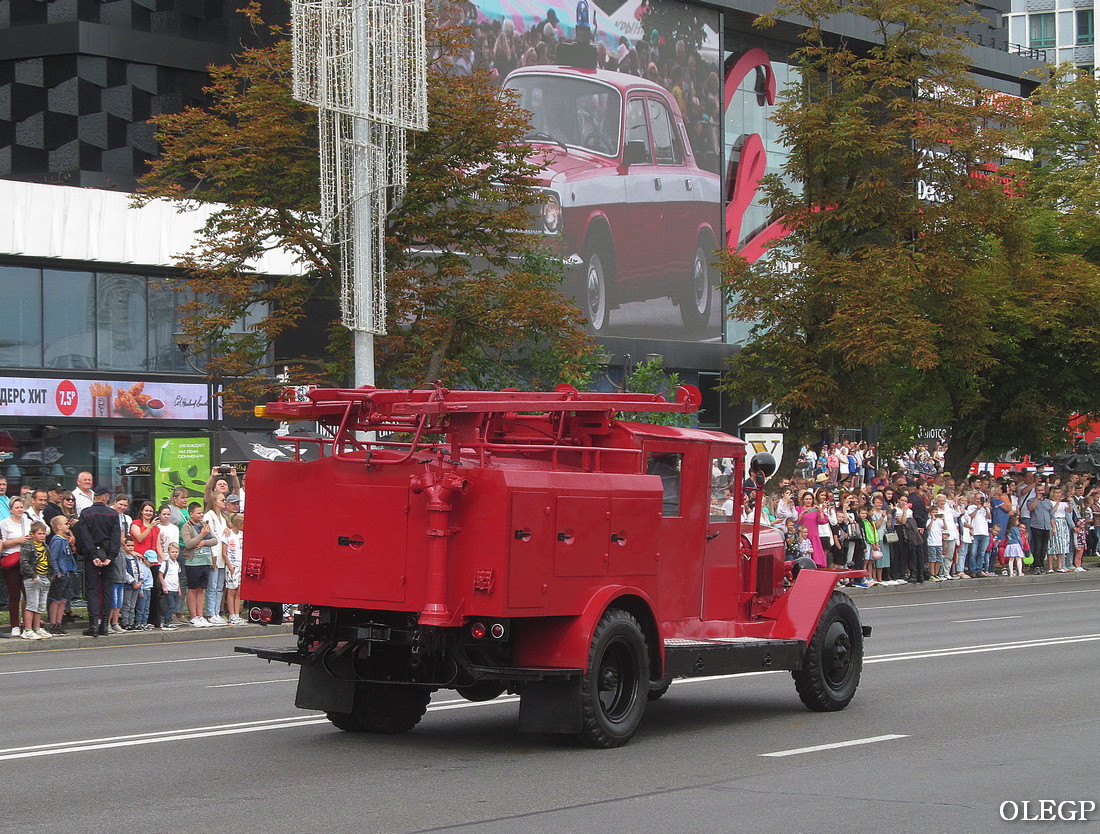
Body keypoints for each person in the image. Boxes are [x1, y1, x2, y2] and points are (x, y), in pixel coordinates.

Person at [73, 486, 121, 637]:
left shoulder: (86, 513)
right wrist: (110, 556)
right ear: (105, 497)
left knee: (92, 590)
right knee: (107, 590)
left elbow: (85, 537)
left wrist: (93, 555)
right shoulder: (113, 514)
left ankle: (93, 625)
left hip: (92, 555)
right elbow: (116, 537)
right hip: (107, 554)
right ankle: (104, 626)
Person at [182, 502, 217, 628]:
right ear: (191, 514)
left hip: (205, 560)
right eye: (198, 513)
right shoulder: (187, 526)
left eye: (201, 512)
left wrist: (203, 542)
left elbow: (215, 540)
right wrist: (201, 535)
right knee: (193, 589)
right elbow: (188, 544)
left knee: (201, 589)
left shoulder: (204, 525)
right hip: (193, 562)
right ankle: (193, 616)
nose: (201, 515)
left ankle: (200, 615)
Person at [1, 496, 32, 636]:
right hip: (12, 559)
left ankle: (28, 624)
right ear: (11, 509)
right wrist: (18, 540)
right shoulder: (5, 523)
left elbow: (43, 531)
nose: (19, 510)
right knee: (14, 594)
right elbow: (4, 543)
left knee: (28, 593)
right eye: (17, 507)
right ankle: (14, 625)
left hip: (27, 560)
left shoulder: (28, 521)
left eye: (21, 507)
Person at [19, 521, 53, 640]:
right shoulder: (28, 546)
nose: (42, 536)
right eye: (39, 533)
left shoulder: (45, 546)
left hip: (44, 576)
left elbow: (49, 561)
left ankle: (37, 627)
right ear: (32, 534)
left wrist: (49, 576)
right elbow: (24, 562)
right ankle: (27, 629)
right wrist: (33, 575)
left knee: (40, 604)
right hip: (33, 577)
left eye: (44, 533)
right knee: (32, 604)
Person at [45, 515, 77, 635]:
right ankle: (53, 623)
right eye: (65, 523)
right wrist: (57, 572)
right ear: (58, 527)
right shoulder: (57, 540)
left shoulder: (64, 540)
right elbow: (53, 558)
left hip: (68, 572)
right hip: (61, 573)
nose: (67, 525)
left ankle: (59, 623)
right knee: (56, 600)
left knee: (63, 600)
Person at [203, 494, 230, 625]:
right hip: (214, 553)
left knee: (219, 586)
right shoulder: (208, 516)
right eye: (222, 500)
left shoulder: (223, 518)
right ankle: (210, 612)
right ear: (214, 501)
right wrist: (212, 556)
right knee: (212, 586)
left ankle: (217, 612)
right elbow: (210, 537)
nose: (224, 502)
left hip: (222, 555)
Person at [222, 512, 245, 625]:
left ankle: (237, 614)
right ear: (239, 524)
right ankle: (231, 615)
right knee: (231, 590)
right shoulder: (228, 534)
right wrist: (230, 566)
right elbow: (224, 552)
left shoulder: (242, 534)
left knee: (239, 591)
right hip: (232, 566)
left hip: (241, 565)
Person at [121, 535, 143, 631]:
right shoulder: (124, 558)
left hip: (136, 585)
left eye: (132, 546)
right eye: (128, 545)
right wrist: (133, 582)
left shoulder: (135, 558)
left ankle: (131, 622)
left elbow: (140, 570)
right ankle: (125, 622)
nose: (130, 547)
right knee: (127, 604)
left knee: (133, 605)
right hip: (128, 585)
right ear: (123, 546)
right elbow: (124, 572)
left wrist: (140, 581)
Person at [159, 542, 182, 630]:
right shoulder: (166, 563)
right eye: (173, 552)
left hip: (175, 588)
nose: (175, 554)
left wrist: (179, 588)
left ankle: (169, 621)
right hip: (168, 588)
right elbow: (160, 575)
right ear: (168, 552)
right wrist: (164, 586)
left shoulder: (177, 564)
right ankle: (166, 622)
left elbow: (177, 576)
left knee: (173, 605)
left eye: (176, 552)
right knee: (170, 605)